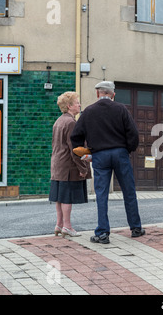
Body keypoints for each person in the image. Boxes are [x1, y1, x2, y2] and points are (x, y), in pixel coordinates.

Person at [70, 81, 145, 244]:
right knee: (129, 191)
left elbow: (75, 137)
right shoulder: (121, 109)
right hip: (120, 154)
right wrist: (127, 150)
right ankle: (136, 228)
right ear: (113, 94)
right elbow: (133, 134)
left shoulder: (88, 112)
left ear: (98, 93)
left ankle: (103, 232)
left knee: (102, 194)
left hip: (99, 156)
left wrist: (86, 154)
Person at [50, 91, 91, 238]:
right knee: (67, 197)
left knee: (59, 197)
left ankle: (59, 224)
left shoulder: (58, 121)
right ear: (69, 106)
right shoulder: (71, 122)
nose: (79, 105)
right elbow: (74, 149)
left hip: (57, 165)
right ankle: (67, 226)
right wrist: (83, 168)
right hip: (68, 166)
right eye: (76, 103)